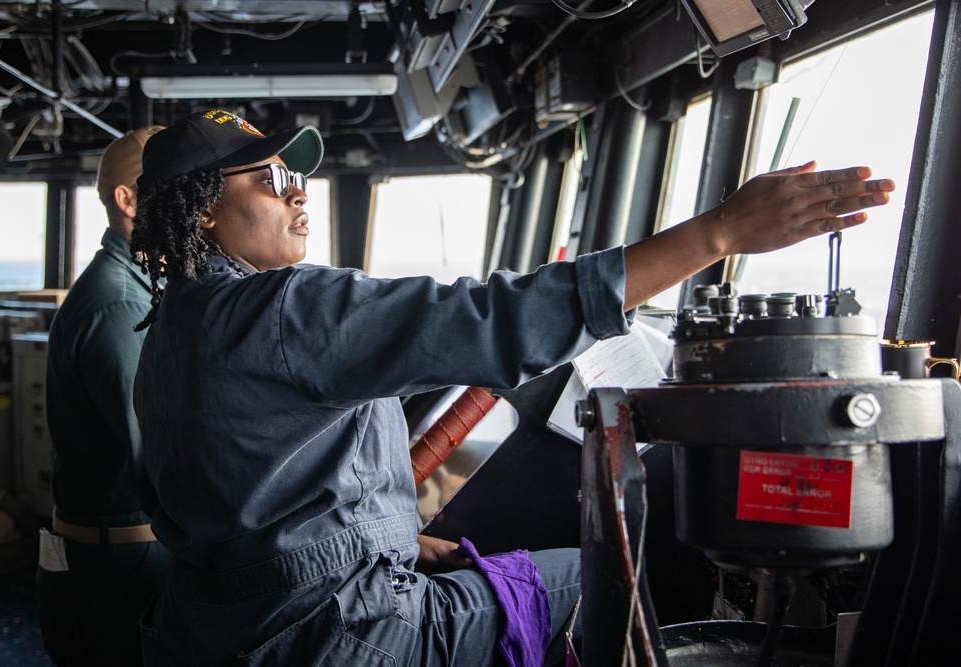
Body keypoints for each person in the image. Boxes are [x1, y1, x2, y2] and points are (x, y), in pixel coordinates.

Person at [129, 109, 894, 666]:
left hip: (214, 625)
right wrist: (720, 233)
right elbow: (498, 319)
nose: (300, 194)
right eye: (272, 179)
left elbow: (224, 504)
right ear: (201, 208)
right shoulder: (282, 306)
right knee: (600, 579)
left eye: (298, 177)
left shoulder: (167, 332)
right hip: (339, 636)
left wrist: (404, 544)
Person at [38, 125, 173, 667]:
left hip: (128, 552)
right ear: (128, 199)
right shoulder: (119, 305)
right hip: (120, 563)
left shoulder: (141, 288)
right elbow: (159, 459)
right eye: (176, 186)